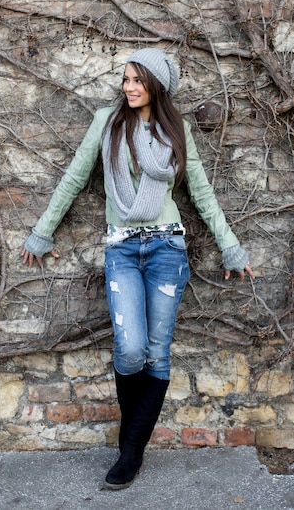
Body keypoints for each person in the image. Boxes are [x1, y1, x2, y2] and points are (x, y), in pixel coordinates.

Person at [22, 48, 254, 490]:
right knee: (130, 351)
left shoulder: (177, 130)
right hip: (122, 249)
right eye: (126, 79)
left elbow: (201, 193)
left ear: (156, 85)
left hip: (167, 247)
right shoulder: (107, 123)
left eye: (137, 80)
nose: (129, 87)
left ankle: (131, 452)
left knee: (157, 352)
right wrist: (42, 231)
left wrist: (231, 247)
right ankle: (132, 444)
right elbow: (74, 176)